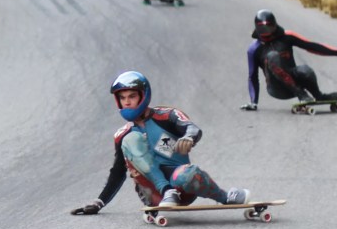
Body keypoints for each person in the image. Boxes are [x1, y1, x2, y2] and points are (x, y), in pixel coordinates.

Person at [70, 71, 250, 215]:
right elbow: (117, 172)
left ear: (143, 96)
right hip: (154, 193)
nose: (127, 102)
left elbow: (193, 128)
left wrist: (188, 138)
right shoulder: (122, 135)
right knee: (131, 139)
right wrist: (99, 202)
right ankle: (166, 191)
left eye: (132, 96)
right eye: (122, 98)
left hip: (183, 185)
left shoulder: (166, 115)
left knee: (186, 175)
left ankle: (225, 196)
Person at [242, 9, 337, 110]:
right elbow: (252, 76)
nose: (267, 31)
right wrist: (253, 102)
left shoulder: (287, 36)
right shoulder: (253, 49)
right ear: (257, 28)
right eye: (263, 28)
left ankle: (318, 95)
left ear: (275, 25)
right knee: (273, 56)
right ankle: (301, 95)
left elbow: (312, 46)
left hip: (295, 79)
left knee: (305, 69)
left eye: (269, 27)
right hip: (277, 88)